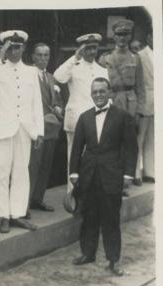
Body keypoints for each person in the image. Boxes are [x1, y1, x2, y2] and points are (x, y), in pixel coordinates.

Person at [0, 30, 43, 234]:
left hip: (25, 128)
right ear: (5, 48)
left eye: (18, 46)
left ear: (24, 48)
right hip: (3, 127)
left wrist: (38, 131)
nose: (15, 50)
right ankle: (3, 214)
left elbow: (36, 103)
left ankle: (17, 214)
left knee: (22, 172)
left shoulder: (31, 72)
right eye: (11, 47)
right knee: (2, 172)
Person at [69, 78, 137, 276]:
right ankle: (88, 253)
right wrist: (74, 172)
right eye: (95, 92)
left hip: (111, 175)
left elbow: (131, 148)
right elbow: (76, 148)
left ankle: (113, 260)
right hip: (88, 175)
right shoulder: (85, 117)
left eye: (102, 91)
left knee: (110, 218)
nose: (98, 95)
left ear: (109, 93)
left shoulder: (122, 117)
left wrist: (128, 174)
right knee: (88, 217)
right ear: (91, 94)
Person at [54, 33, 108, 193]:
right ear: (82, 49)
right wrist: (74, 57)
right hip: (77, 119)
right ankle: (73, 193)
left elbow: (106, 97)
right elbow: (58, 76)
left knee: (94, 158)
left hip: (96, 121)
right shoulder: (73, 66)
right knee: (74, 157)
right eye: (88, 48)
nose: (92, 52)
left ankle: (90, 192)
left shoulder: (102, 70)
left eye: (94, 48)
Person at [99, 19, 145, 186]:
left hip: (131, 103)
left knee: (130, 142)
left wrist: (140, 111)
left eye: (126, 34)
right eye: (119, 34)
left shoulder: (136, 58)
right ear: (114, 36)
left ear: (130, 36)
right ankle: (115, 179)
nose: (122, 38)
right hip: (114, 101)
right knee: (113, 143)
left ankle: (129, 177)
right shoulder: (106, 59)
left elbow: (141, 87)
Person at [28, 43, 63, 214]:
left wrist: (58, 108)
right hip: (35, 128)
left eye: (46, 55)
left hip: (50, 127)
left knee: (45, 166)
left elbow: (57, 99)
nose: (43, 59)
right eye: (39, 55)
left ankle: (37, 199)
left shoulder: (51, 78)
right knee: (32, 166)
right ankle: (24, 203)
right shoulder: (27, 75)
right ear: (33, 56)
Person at [136, 32, 154, 182]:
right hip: (145, 100)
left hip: (157, 102)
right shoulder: (140, 55)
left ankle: (150, 171)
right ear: (148, 38)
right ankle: (136, 173)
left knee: (152, 138)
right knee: (139, 137)